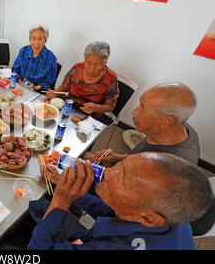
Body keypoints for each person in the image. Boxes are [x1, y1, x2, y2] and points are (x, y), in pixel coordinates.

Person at [84, 83, 214, 235]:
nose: (134, 111)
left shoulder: (169, 167)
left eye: (142, 106)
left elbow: (133, 203)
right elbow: (140, 158)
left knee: (76, 177)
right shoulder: (177, 128)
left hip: (148, 210)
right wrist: (117, 158)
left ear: (166, 120)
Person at [29, 152, 214, 250]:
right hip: (96, 233)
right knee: (38, 206)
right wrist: (67, 186)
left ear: (149, 219)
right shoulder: (170, 214)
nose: (106, 173)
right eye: (120, 165)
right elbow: (110, 210)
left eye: (123, 179)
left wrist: (61, 201)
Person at [47, 41, 119, 115]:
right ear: (84, 58)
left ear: (105, 62)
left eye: (97, 64)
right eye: (88, 63)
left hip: (90, 113)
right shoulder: (77, 67)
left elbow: (110, 106)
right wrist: (55, 92)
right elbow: (65, 86)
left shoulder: (110, 78)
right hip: (68, 105)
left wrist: (95, 107)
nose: (92, 68)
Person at [12, 24, 57, 92]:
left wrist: (36, 88)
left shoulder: (51, 58)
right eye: (33, 38)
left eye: (40, 38)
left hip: (38, 91)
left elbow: (50, 79)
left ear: (45, 40)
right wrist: (20, 82)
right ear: (30, 39)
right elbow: (15, 70)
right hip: (20, 86)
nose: (36, 42)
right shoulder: (23, 51)